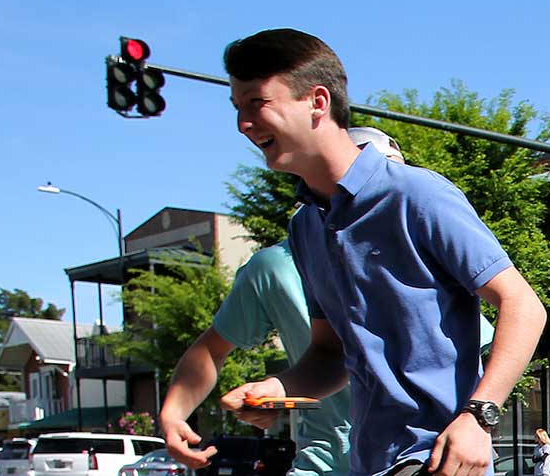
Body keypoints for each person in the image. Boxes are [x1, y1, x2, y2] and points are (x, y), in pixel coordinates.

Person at [214, 28, 547, 476]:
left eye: (257, 104)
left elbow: (523, 305)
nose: (243, 125)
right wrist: (276, 387)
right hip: (370, 460)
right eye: (238, 109)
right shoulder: (306, 227)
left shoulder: (415, 195)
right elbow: (330, 356)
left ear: (317, 102)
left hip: (437, 459)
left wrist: (479, 416)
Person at [158, 128, 401, 476]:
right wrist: (173, 415)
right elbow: (210, 350)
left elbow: (471, 355)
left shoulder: (416, 248)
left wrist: (474, 421)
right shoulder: (276, 266)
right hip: (325, 465)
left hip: (416, 458)